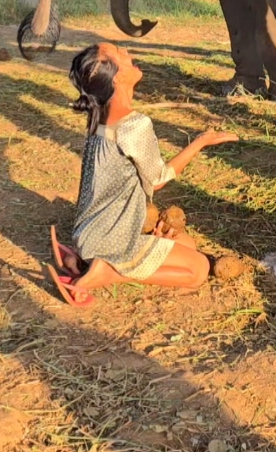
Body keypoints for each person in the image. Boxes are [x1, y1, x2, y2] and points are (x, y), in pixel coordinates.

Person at [46, 41, 240, 307]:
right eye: (119, 53)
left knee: (189, 245)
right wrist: (201, 142)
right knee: (197, 270)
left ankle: (82, 262)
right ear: (116, 76)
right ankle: (107, 273)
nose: (128, 54)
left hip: (91, 234)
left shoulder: (99, 118)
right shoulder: (134, 125)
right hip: (112, 242)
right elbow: (160, 178)